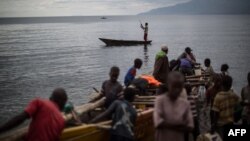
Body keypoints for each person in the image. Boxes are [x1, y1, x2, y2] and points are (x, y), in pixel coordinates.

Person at [0, 88, 68, 141]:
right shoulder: (62, 121)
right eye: (65, 103)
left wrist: (1, 130)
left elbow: (20, 119)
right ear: (62, 103)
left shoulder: (39, 102)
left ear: (51, 98)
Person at [154, 71, 194, 141]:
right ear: (168, 85)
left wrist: (166, 124)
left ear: (182, 87)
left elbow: (190, 127)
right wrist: (180, 125)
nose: (177, 90)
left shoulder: (185, 104)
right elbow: (158, 123)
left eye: (179, 87)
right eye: (174, 86)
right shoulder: (160, 101)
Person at [211, 75, 239, 139]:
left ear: (221, 84)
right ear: (230, 85)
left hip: (221, 124)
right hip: (230, 122)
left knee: (221, 138)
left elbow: (216, 113)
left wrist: (213, 125)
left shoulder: (218, 96)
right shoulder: (233, 94)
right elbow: (240, 103)